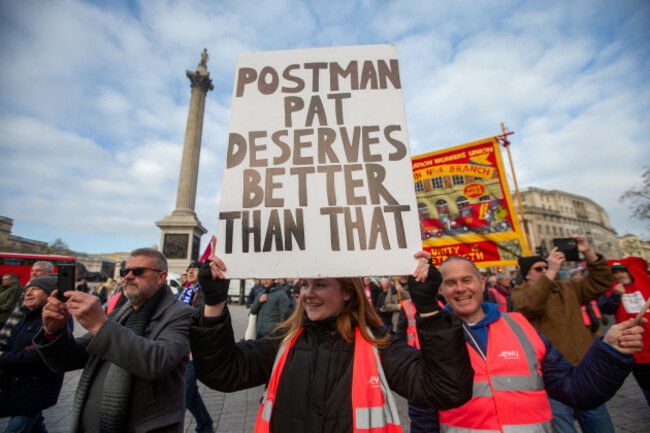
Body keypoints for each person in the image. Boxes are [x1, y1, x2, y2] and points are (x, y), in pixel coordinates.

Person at [188, 237, 473, 432]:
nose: (308, 294)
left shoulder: (379, 346)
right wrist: (213, 303)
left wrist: (428, 308)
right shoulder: (283, 343)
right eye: (305, 285)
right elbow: (221, 373)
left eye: (321, 285)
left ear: (348, 292)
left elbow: (447, 390)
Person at [407, 256, 644, 433]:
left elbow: (573, 389)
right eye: (450, 283)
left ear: (481, 282)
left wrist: (611, 352)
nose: (460, 288)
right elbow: (423, 414)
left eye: (467, 279)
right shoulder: (432, 336)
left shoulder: (521, 326)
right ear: (441, 289)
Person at [34, 247, 193, 433]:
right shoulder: (118, 314)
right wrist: (54, 331)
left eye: (138, 271)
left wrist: (99, 325)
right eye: (125, 272)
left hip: (146, 426)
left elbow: (158, 362)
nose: (129, 276)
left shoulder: (181, 314)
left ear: (161, 277)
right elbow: (72, 358)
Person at [510, 235, 615, 433]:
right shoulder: (519, 293)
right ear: (526, 275)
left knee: (598, 423)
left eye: (545, 267)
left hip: (583, 367)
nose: (544, 271)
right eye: (538, 269)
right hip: (550, 374)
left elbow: (601, 282)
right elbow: (529, 305)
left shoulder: (567, 289)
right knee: (563, 426)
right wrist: (550, 271)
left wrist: (587, 252)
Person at [0, 275, 73, 432]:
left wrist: (2, 357)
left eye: (35, 289)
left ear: (50, 294)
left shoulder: (56, 317)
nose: (28, 293)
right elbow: (10, 342)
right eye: (27, 290)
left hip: (35, 388)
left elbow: (41, 355)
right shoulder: (24, 314)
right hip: (17, 385)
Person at [600, 257, 650, 406]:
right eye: (615, 273)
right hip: (637, 349)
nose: (619, 275)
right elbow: (606, 308)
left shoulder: (645, 283)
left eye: (623, 271)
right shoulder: (613, 290)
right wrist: (616, 295)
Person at [178, 261, 214, 433]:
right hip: (181, 345)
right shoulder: (185, 292)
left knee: (181, 394)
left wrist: (196, 348)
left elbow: (203, 322)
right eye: (188, 269)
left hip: (194, 349)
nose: (190, 272)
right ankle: (205, 423)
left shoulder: (203, 293)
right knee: (190, 393)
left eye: (194, 269)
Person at [0, 262, 54, 349]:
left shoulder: (52, 294)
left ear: (50, 272)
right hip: (10, 331)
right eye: (32, 270)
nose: (33, 273)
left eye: (38, 270)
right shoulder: (27, 286)